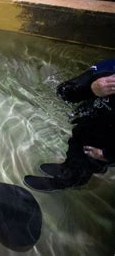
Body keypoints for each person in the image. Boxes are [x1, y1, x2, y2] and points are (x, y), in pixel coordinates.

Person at [24, 59, 115, 191]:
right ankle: (66, 168)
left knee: (84, 165)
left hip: (103, 145)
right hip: (88, 127)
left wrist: (106, 155)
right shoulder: (108, 71)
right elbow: (63, 91)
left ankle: (64, 182)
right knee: (74, 149)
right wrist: (91, 88)